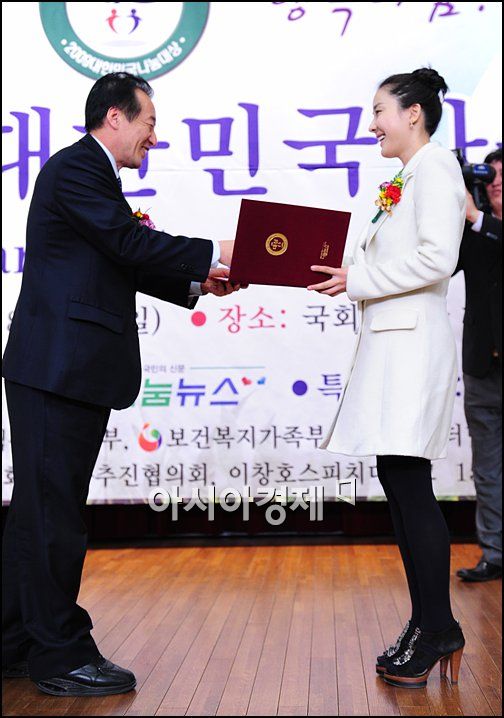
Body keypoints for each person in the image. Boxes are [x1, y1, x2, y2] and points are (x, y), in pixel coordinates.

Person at [1, 72, 238, 697]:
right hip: (57, 369)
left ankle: (15, 642)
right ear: (115, 117)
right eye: (149, 123)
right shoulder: (78, 168)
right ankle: (60, 656)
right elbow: (126, 241)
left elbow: (115, 259)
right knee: (53, 515)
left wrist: (200, 280)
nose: (153, 138)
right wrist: (217, 249)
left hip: (63, 368)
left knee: (37, 513)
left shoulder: (92, 176)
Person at [307, 68, 466, 688]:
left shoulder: (437, 168)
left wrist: (360, 280)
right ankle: (426, 622)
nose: (372, 124)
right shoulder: (402, 178)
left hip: (412, 349)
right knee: (399, 483)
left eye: (380, 111)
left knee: (408, 482)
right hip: (392, 348)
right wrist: (321, 263)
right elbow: (370, 257)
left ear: (414, 114)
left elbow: (438, 259)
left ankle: (438, 626)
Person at [453, 148, 502, 582]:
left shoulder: (482, 223)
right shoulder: (472, 227)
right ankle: (495, 553)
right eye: (492, 175)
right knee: (487, 468)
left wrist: (477, 218)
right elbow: (442, 264)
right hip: (482, 365)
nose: (497, 182)